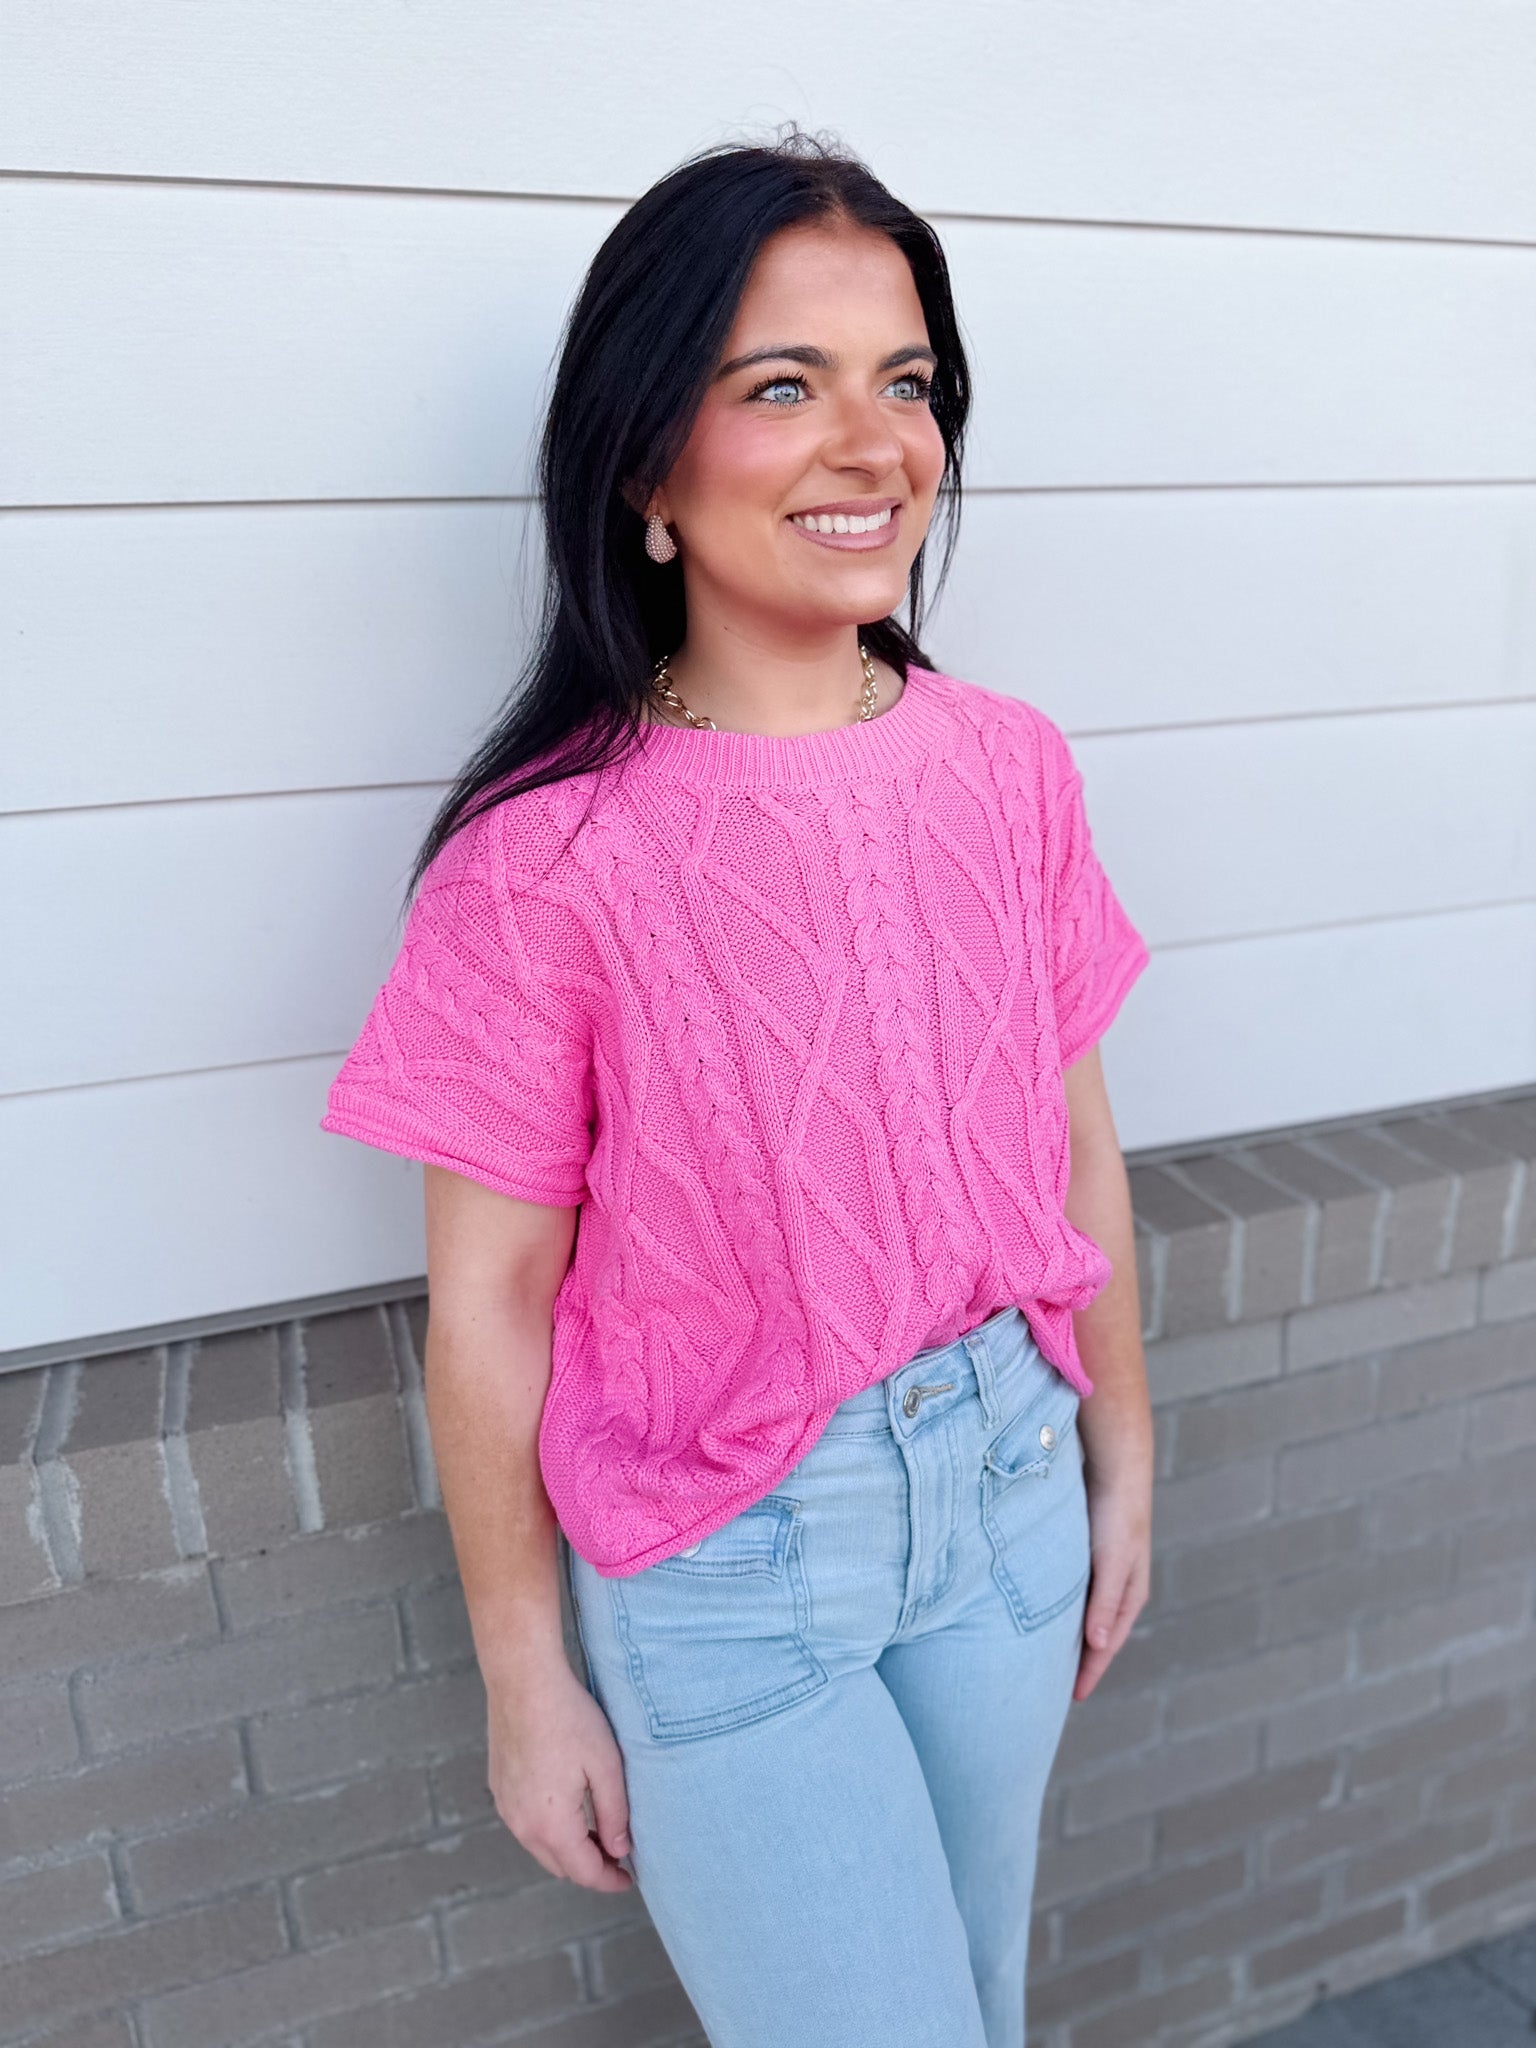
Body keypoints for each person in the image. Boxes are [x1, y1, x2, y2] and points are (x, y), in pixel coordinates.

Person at [321, 130, 1153, 2048]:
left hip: (1011, 1487)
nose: (873, 445)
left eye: (906, 382)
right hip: (733, 1556)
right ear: (645, 469)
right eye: (782, 385)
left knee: (983, 2003)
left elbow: (1077, 1151)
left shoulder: (1011, 767)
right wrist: (525, 1674)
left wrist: (1125, 1454)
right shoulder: (543, 861)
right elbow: (492, 1298)